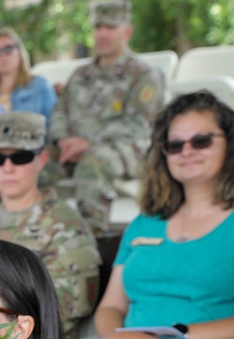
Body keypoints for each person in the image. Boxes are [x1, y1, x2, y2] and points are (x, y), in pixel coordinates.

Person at [67, 90, 234, 339]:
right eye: (175, 145)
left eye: (201, 140)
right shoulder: (145, 223)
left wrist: (176, 334)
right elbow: (111, 307)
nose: (187, 151)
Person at [0, 111, 100, 339]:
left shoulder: (66, 228)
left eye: (20, 157)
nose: (7, 168)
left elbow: (63, 310)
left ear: (41, 160)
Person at [45, 1, 165, 234]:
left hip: (129, 149)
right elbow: (60, 110)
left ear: (127, 31)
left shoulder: (144, 74)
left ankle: (90, 242)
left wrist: (86, 142)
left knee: (94, 162)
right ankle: (32, 235)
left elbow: (138, 124)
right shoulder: (81, 75)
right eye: (98, 27)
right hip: (72, 148)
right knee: (29, 162)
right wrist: (61, 140)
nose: (102, 34)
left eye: (110, 28)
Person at [0, 28, 57, 128]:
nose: (2, 56)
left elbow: (54, 126)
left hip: (31, 142)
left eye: (8, 49)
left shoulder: (40, 85)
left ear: (20, 51)